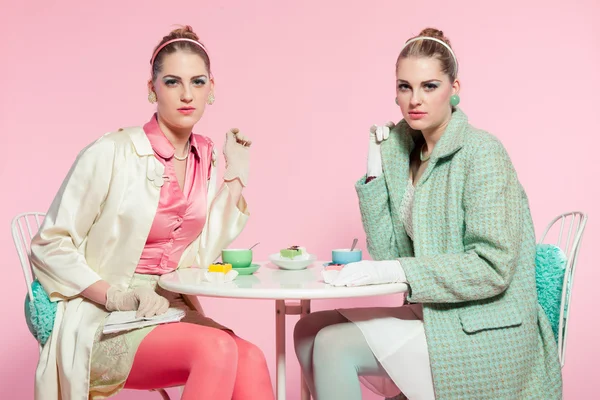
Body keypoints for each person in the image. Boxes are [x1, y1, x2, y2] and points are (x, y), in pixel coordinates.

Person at [294, 27, 562, 400]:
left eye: (429, 86)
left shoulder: (482, 152)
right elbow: (391, 256)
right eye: (405, 87)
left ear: (455, 88)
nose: (415, 100)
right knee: (308, 330)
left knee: (333, 345)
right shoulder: (407, 154)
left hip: (485, 329)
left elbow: (494, 268)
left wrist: (396, 271)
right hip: (438, 313)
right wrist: (376, 169)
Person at [30, 26, 274, 400]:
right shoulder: (111, 151)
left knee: (252, 357)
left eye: (198, 81)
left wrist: (235, 178)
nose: (187, 94)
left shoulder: (203, 157)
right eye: (173, 82)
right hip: (102, 314)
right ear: (152, 88)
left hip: (170, 307)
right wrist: (116, 296)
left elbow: (198, 253)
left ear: (212, 89)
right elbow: (49, 245)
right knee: (217, 348)